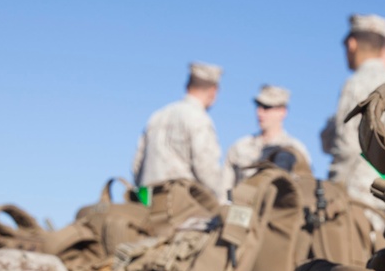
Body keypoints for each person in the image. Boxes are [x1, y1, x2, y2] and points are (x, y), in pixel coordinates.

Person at [320, 13, 385, 233]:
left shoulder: (358, 82)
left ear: (352, 43)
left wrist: (333, 191)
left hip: (355, 200)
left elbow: (347, 146)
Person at [132, 62, 226, 200]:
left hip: (148, 206)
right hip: (181, 209)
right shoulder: (199, 119)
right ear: (213, 91)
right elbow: (207, 170)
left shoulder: (157, 116)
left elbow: (136, 167)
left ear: (188, 86)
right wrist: (226, 200)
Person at [222, 85, 311, 192]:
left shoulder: (296, 150)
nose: (259, 112)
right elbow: (224, 190)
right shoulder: (240, 146)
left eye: (267, 107)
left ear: (282, 111)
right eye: (258, 106)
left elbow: (305, 191)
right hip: (241, 206)